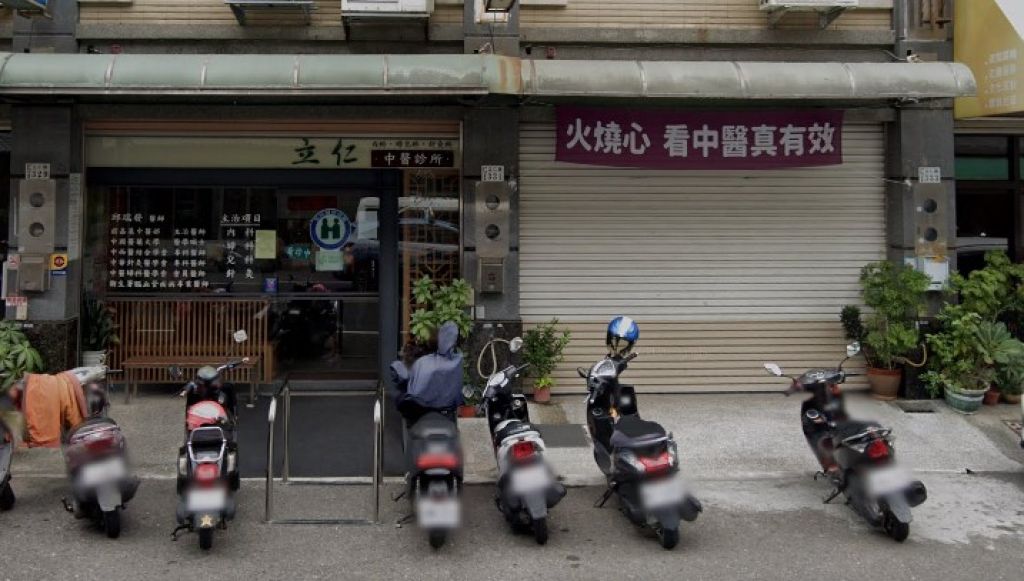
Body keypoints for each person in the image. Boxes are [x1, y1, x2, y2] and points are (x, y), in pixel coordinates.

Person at [390, 321, 464, 427]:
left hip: (420, 410)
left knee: (401, 398)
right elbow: (457, 394)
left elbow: (412, 388)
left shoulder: (423, 362)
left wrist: (397, 367)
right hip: (446, 411)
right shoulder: (457, 361)